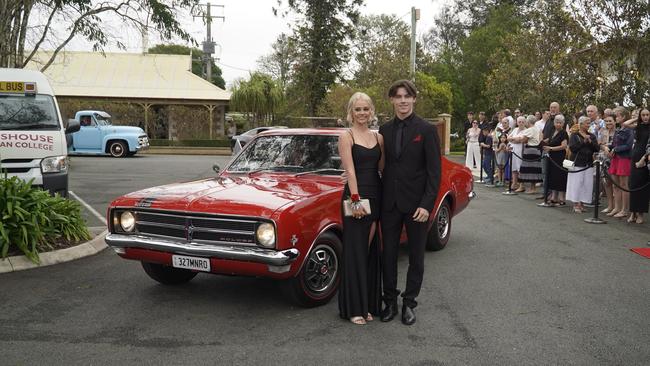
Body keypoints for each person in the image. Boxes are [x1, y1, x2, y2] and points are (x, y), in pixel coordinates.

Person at [379, 80, 441, 326]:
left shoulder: (426, 130)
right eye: (398, 96)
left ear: (414, 99)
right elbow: (379, 164)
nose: (403, 100)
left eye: (407, 96)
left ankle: (410, 303)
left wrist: (427, 205)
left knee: (416, 256)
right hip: (389, 204)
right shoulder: (384, 130)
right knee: (388, 255)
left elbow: (434, 172)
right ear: (392, 100)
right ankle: (390, 302)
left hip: (417, 206)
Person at [337, 92, 384, 325]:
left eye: (366, 109)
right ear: (351, 112)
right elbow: (351, 172)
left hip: (376, 197)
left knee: (366, 251)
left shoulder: (379, 138)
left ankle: (366, 305)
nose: (362, 113)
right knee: (354, 251)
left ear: (372, 111)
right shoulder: (346, 137)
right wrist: (355, 199)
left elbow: (382, 168)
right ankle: (354, 308)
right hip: (356, 197)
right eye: (358, 109)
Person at [566, 116, 600, 213]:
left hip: (588, 163)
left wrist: (590, 142)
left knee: (586, 184)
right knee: (576, 183)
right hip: (577, 163)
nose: (588, 125)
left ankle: (581, 203)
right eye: (586, 123)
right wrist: (583, 142)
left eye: (589, 123)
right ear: (581, 124)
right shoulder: (574, 135)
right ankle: (575, 204)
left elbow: (596, 148)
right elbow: (573, 148)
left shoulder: (592, 136)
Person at [606, 107, 634, 219]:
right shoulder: (618, 129)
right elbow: (614, 144)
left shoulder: (629, 130)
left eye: (617, 116)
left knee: (623, 185)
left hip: (624, 159)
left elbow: (628, 145)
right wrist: (608, 148)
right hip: (615, 159)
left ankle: (624, 209)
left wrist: (615, 149)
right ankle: (617, 208)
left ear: (623, 117)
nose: (615, 118)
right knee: (615, 185)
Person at [625, 107, 650, 224]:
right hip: (634, 156)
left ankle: (640, 214)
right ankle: (633, 213)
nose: (645, 117)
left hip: (645, 158)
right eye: (643, 115)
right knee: (633, 185)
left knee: (643, 187)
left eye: (647, 115)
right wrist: (636, 118)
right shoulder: (638, 126)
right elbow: (625, 124)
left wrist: (644, 158)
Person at [542, 114, 569, 206]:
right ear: (554, 123)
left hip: (559, 157)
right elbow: (548, 140)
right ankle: (554, 197)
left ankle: (562, 198)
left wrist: (551, 148)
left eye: (560, 123)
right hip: (551, 157)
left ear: (563, 124)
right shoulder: (552, 132)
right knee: (552, 176)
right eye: (557, 122)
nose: (558, 124)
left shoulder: (564, 133)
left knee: (560, 176)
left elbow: (564, 146)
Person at [514, 116, 543, 194]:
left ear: (528, 122)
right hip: (537, 150)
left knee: (526, 168)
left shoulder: (529, 130)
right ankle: (532, 188)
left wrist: (518, 139)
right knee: (534, 169)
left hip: (530, 150)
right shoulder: (538, 129)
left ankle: (525, 187)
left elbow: (524, 140)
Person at [598, 114, 617, 213]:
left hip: (615, 158)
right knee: (606, 183)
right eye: (606, 121)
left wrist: (612, 151)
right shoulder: (602, 131)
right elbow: (599, 143)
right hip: (604, 159)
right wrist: (604, 148)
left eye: (610, 121)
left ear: (615, 121)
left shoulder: (618, 132)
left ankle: (617, 207)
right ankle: (610, 205)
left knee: (615, 184)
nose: (608, 123)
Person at [507, 117, 526, 192]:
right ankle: (514, 183)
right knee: (513, 167)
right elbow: (508, 137)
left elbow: (520, 140)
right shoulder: (515, 129)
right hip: (513, 150)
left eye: (522, 122)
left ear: (525, 123)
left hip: (520, 151)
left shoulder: (526, 131)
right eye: (519, 122)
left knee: (519, 168)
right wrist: (514, 139)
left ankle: (522, 185)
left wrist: (513, 139)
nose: (520, 123)